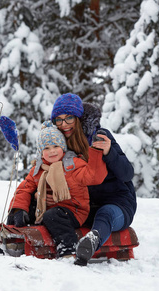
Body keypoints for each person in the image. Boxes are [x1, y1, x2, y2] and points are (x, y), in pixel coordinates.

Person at [49, 93, 137, 266]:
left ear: (78, 118)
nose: (64, 124)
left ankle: (91, 242)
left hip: (117, 203)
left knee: (105, 214)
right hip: (83, 205)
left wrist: (109, 152)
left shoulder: (100, 136)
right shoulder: (58, 145)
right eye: (58, 120)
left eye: (68, 118)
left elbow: (127, 173)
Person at [7, 121, 107, 258]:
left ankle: (68, 248)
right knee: (21, 209)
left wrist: (96, 153)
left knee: (53, 216)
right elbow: (24, 188)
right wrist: (19, 209)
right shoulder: (38, 169)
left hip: (74, 210)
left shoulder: (73, 165)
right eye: (46, 148)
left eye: (55, 146)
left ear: (63, 147)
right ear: (41, 152)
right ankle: (12, 240)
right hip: (47, 208)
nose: (52, 151)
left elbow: (94, 177)